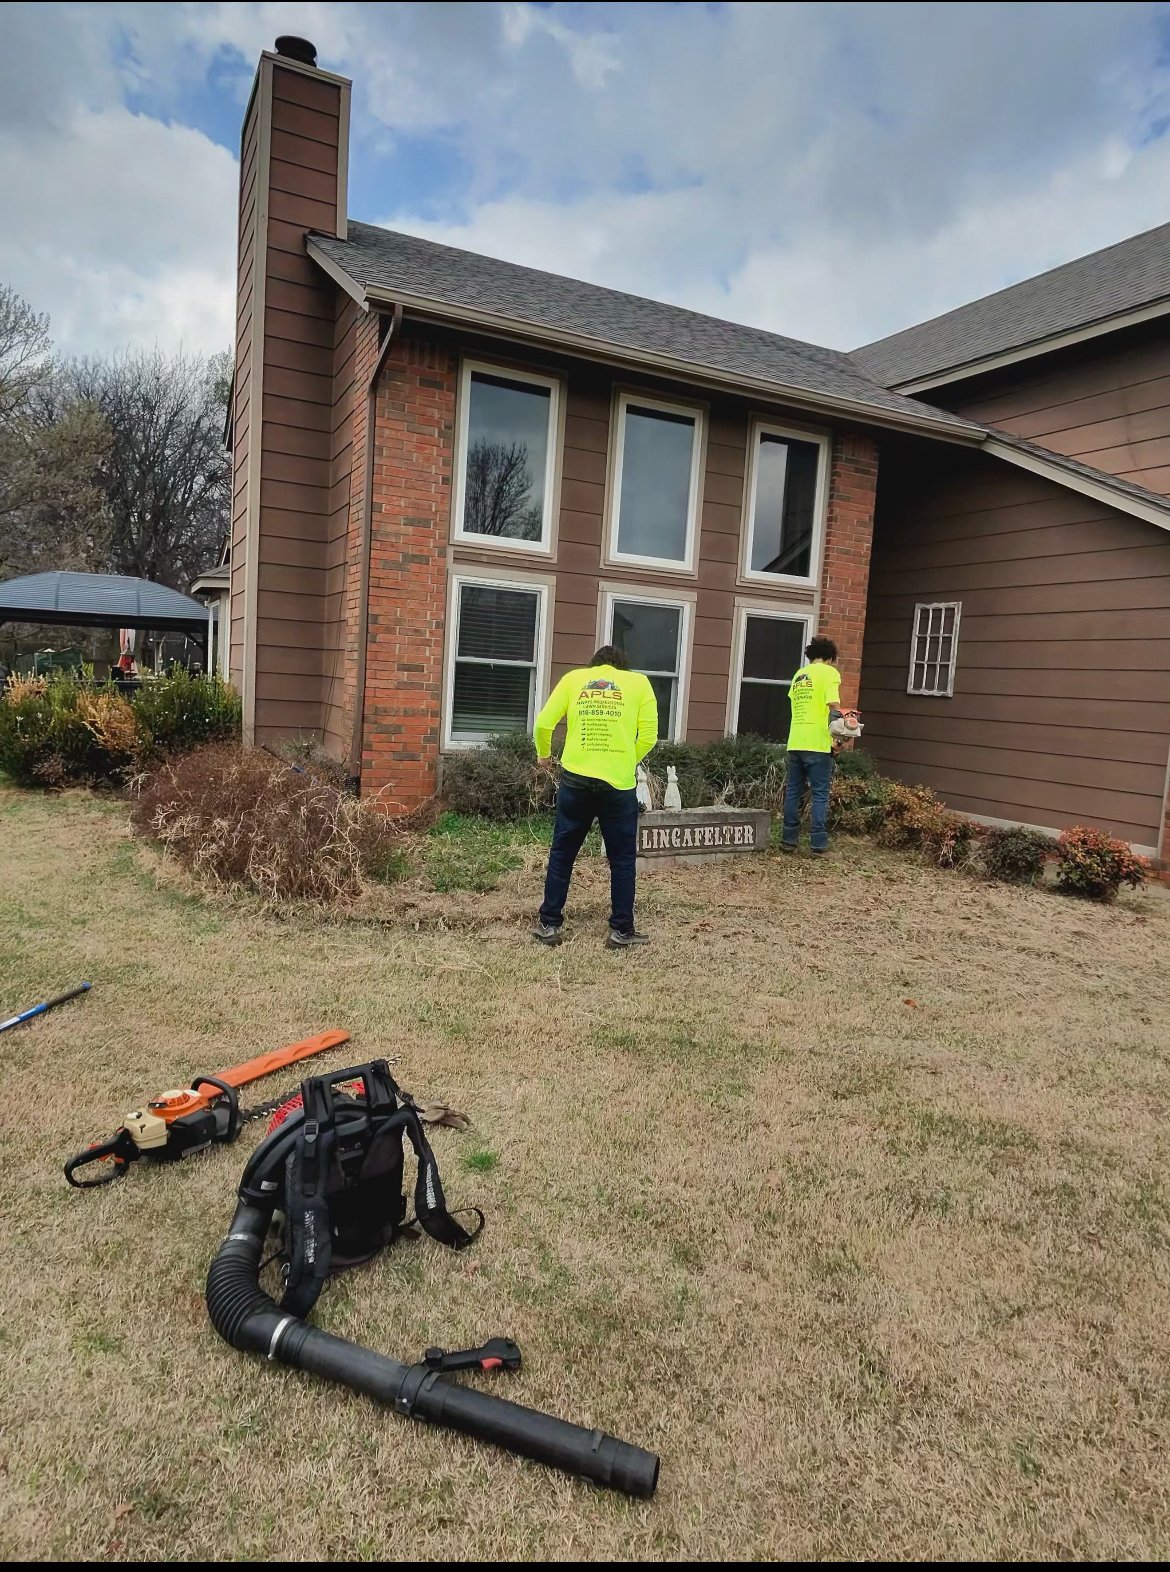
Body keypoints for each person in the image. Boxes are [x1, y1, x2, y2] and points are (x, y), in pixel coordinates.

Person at [532, 645, 658, 949]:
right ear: (622, 667)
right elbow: (650, 735)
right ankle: (621, 931)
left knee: (563, 852)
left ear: (594, 666)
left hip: (576, 777)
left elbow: (543, 724)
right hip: (618, 783)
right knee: (622, 859)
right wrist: (626, 761)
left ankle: (549, 924)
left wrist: (544, 755)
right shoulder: (639, 683)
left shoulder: (575, 679)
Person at [781, 634, 856, 855]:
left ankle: (788, 841)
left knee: (793, 791)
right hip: (818, 742)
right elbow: (834, 706)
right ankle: (817, 844)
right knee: (820, 793)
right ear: (830, 657)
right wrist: (839, 738)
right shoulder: (830, 673)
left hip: (796, 740)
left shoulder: (799, 675)